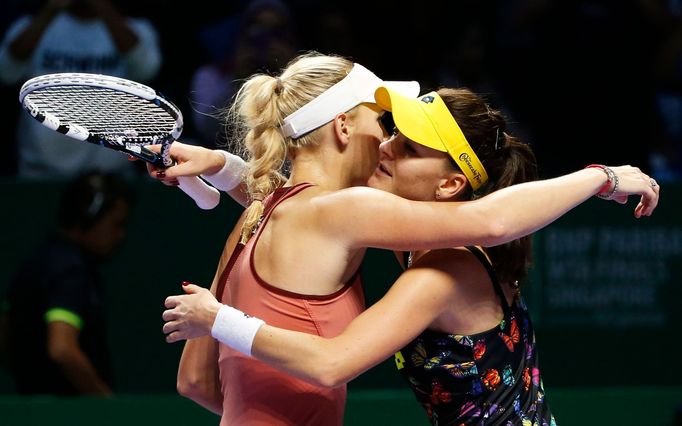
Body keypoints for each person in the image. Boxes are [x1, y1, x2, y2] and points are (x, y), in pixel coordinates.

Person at [150, 52, 658, 425]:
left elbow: (493, 220)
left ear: (449, 185)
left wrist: (602, 177)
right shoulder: (374, 227)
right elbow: (297, 212)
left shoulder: (440, 268)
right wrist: (222, 165)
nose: (387, 145)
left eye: (408, 145)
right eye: (387, 128)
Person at [0, 171, 133, 395]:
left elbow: (4, 329)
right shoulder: (70, 271)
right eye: (116, 224)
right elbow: (62, 348)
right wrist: (107, 406)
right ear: (88, 216)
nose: (120, 235)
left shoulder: (38, 259)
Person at [0, 0, 162, 178]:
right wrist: (49, 11)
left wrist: (102, 7)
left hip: (112, 172)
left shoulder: (137, 28)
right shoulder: (31, 25)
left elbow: (147, 70)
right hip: (40, 170)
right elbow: (6, 73)